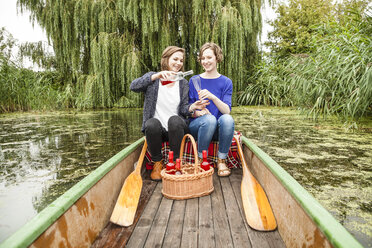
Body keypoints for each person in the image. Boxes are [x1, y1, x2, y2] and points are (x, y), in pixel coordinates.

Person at [130, 46, 191, 181]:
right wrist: (155, 76)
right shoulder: (153, 79)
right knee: (150, 123)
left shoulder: (183, 83)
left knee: (175, 120)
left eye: (181, 60)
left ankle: (176, 163)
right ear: (166, 59)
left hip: (175, 129)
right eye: (175, 59)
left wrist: (193, 108)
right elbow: (133, 86)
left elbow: (183, 109)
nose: (178, 63)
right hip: (157, 130)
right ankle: (157, 163)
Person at [188, 42, 235, 177]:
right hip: (200, 127)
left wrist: (213, 97)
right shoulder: (194, 80)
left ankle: (221, 160)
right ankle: (201, 159)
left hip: (218, 129)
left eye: (209, 58)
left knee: (227, 119)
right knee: (209, 119)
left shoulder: (226, 82)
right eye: (203, 58)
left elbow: (226, 110)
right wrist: (198, 111)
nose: (205, 61)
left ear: (217, 58)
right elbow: (188, 109)